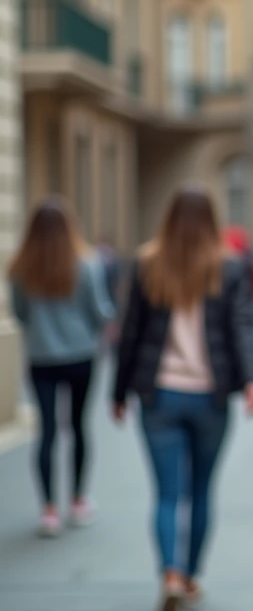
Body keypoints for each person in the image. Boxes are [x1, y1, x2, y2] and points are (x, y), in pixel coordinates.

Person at [111, 185, 253, 611]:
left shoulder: (148, 263)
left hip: (158, 396)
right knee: (200, 490)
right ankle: (192, 576)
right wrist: (251, 380)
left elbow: (130, 334)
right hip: (209, 400)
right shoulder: (228, 267)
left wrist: (118, 391)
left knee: (165, 493)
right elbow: (241, 328)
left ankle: (170, 574)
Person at [8, 197, 115, 537]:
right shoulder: (86, 263)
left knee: (47, 433)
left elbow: (20, 313)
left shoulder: (21, 267)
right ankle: (79, 500)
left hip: (41, 358)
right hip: (81, 356)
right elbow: (100, 312)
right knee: (79, 427)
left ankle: (49, 510)